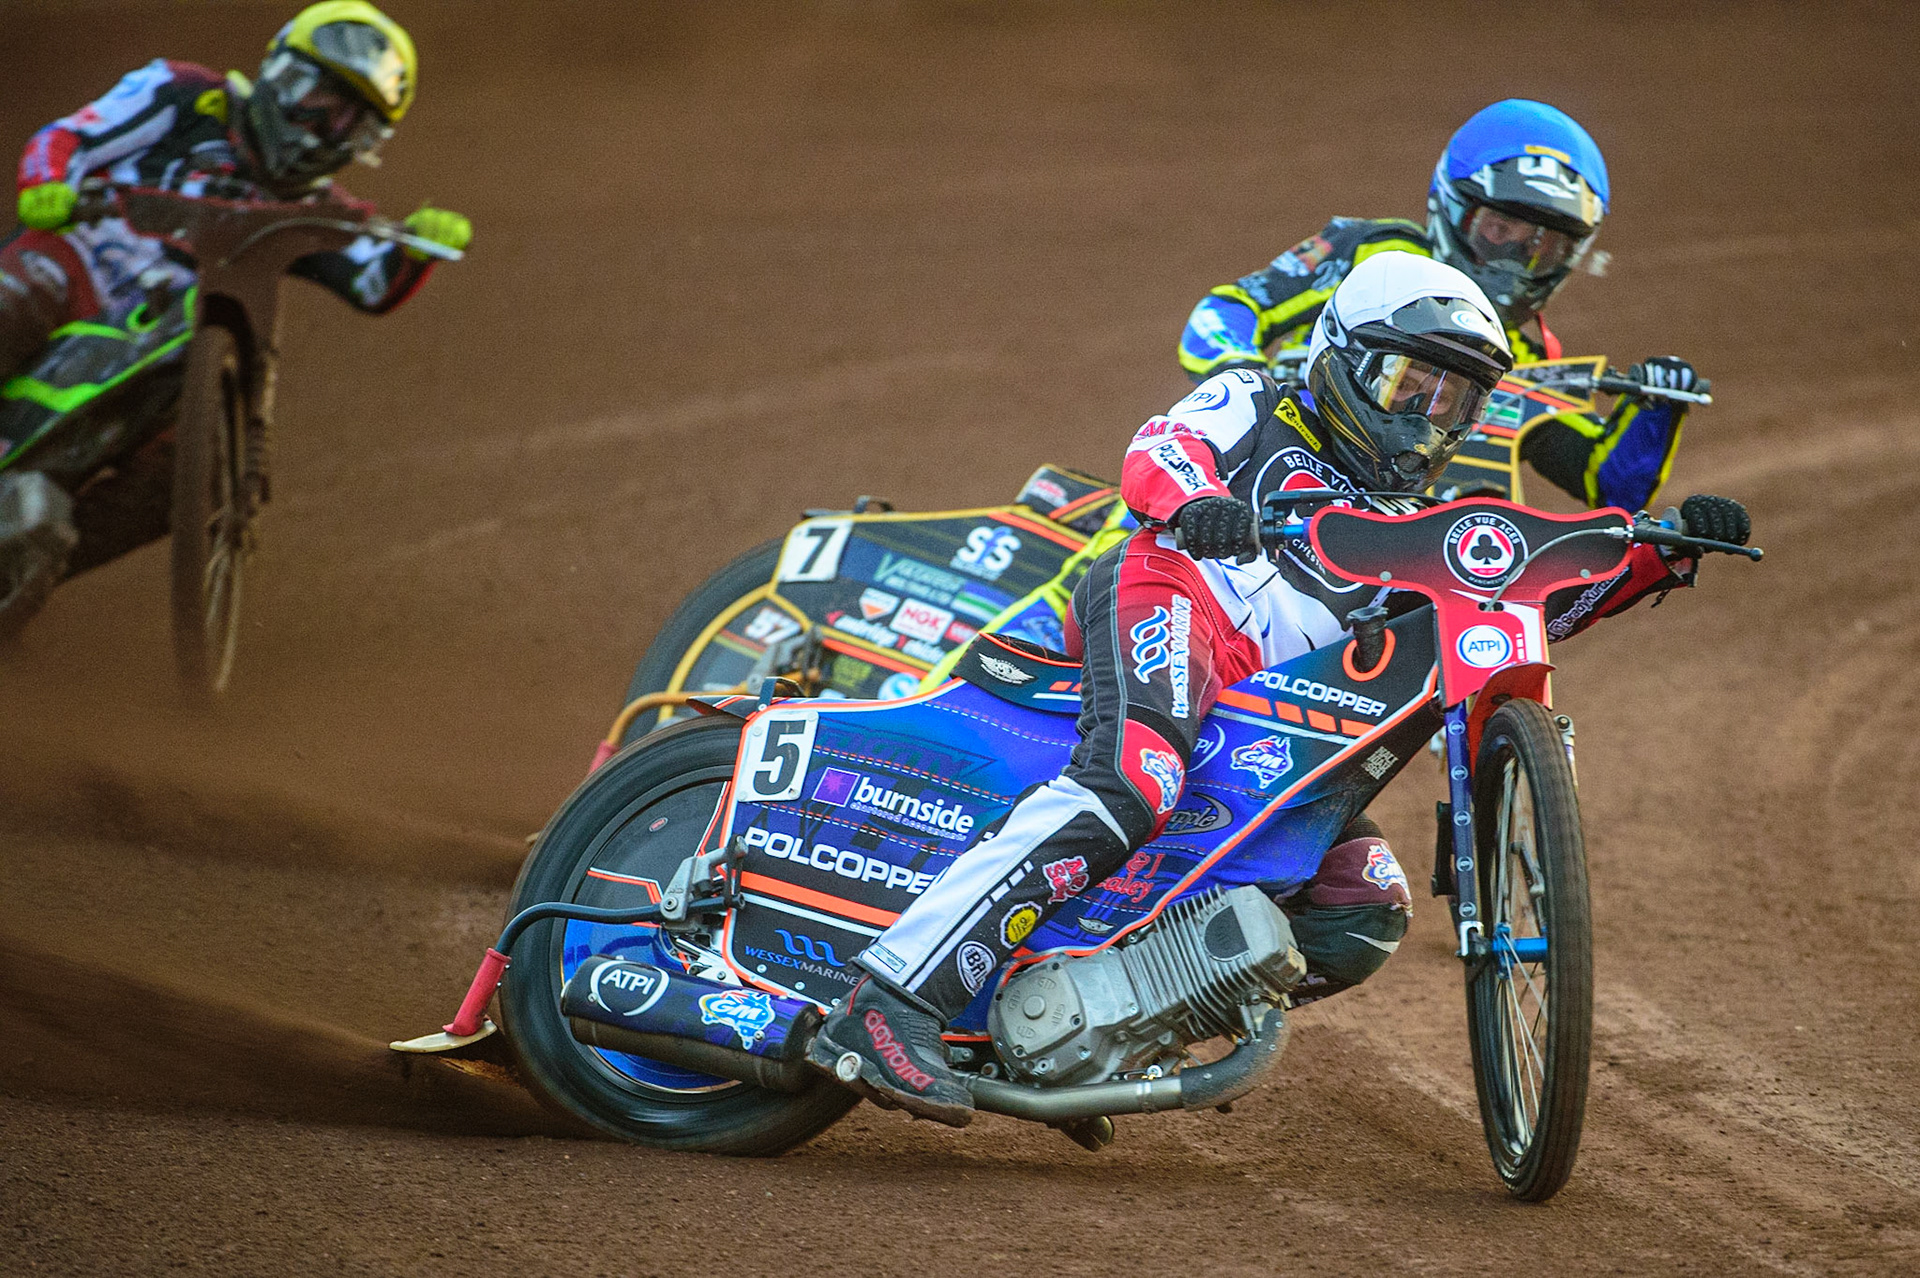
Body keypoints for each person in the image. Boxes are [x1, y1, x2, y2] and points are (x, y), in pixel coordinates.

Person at [810, 251, 1748, 1126]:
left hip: (1265, 717)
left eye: (1454, 402)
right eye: (1408, 384)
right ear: (1343, 354)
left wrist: (1657, 557)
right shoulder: (1260, 398)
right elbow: (1160, 448)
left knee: (1363, 907)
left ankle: (1086, 1039)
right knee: (1130, 781)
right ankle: (888, 999)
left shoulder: (1415, 526)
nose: (1427, 416)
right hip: (1166, 594)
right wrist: (1201, 504)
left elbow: (1532, 592)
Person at [1177, 99, 1697, 514]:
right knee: (1140, 546)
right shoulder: (1372, 252)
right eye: (1501, 231)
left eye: (1543, 247)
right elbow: (1221, 315)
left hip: (1381, 535)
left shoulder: (1513, 353)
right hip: (1253, 468)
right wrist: (1244, 378)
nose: (1516, 261)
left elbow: (1607, 484)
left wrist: (1657, 410)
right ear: (1455, 208)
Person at [1, 0, 469, 384]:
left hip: (159, 342)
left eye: (352, 122)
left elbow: (372, 284)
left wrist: (418, 249)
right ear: (280, 72)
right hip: (75, 261)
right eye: (317, 97)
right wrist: (47, 184)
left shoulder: (312, 210)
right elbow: (69, 138)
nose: (326, 127)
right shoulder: (183, 93)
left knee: (161, 468)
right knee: (12, 302)